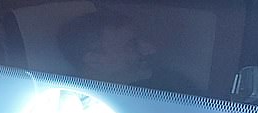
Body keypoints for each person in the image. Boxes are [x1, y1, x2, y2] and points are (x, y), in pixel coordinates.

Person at [57, 8, 199, 94]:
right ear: (94, 60)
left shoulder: (172, 86)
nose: (150, 49)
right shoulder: (67, 105)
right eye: (131, 44)